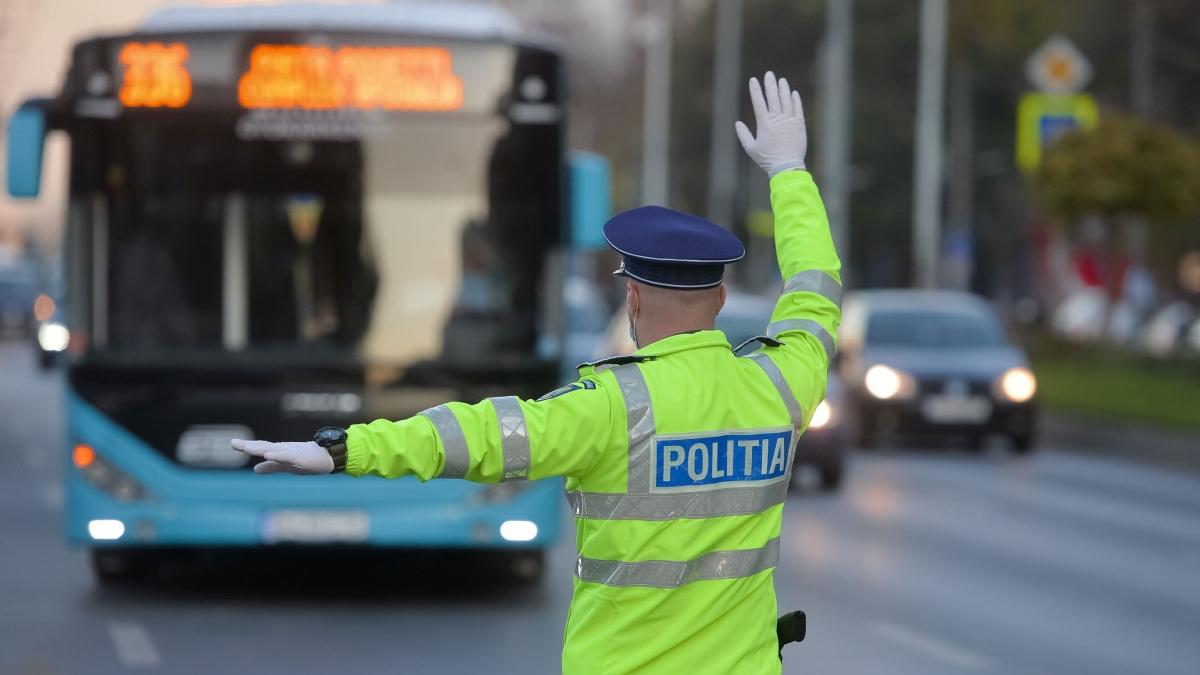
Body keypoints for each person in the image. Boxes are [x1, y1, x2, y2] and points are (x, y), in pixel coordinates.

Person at [232, 71, 841, 674]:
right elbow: (815, 293)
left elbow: (479, 436)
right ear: (721, 297)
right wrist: (788, 172)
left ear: (631, 297)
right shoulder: (780, 385)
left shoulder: (612, 406)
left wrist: (345, 450)